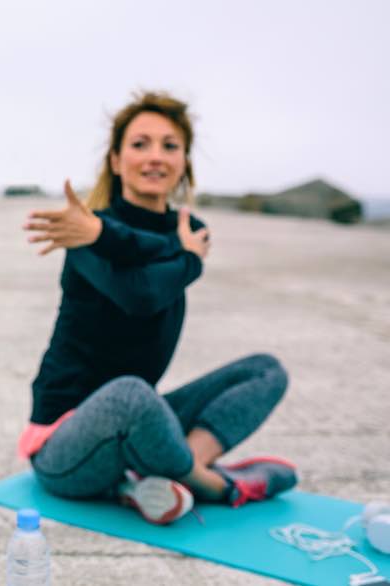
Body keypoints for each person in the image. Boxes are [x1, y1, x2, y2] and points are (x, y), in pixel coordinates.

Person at [18, 92, 296, 525]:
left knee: (266, 370)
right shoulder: (82, 230)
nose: (155, 157)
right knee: (131, 393)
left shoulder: (190, 230)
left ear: (184, 161)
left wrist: (177, 250)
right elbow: (141, 295)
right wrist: (185, 258)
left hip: (138, 427)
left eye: (170, 146)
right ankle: (209, 484)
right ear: (115, 160)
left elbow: (152, 268)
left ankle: (184, 471)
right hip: (66, 445)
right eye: (140, 144)